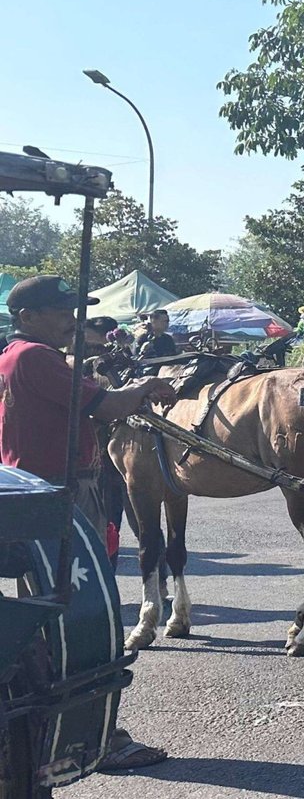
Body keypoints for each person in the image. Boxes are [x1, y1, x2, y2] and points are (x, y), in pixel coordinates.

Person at [0, 275, 175, 770]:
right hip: (63, 494)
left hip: (44, 493)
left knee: (56, 616)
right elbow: (109, 404)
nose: (71, 321)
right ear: (27, 317)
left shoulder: (17, 356)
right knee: (83, 617)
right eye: (61, 312)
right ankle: (93, 736)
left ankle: (63, 729)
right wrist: (142, 388)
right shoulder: (35, 357)